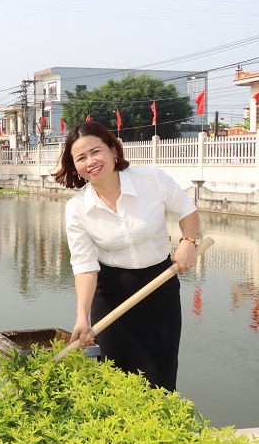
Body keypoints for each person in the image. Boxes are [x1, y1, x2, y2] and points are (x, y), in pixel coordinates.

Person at [52, 121, 200, 391]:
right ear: (75, 167)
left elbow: (187, 212)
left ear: (113, 150)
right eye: (81, 158)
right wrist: (82, 316)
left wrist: (188, 241)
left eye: (96, 151)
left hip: (160, 285)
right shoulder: (77, 208)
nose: (91, 161)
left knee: (160, 374)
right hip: (111, 295)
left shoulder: (152, 180)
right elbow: (84, 265)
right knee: (114, 376)